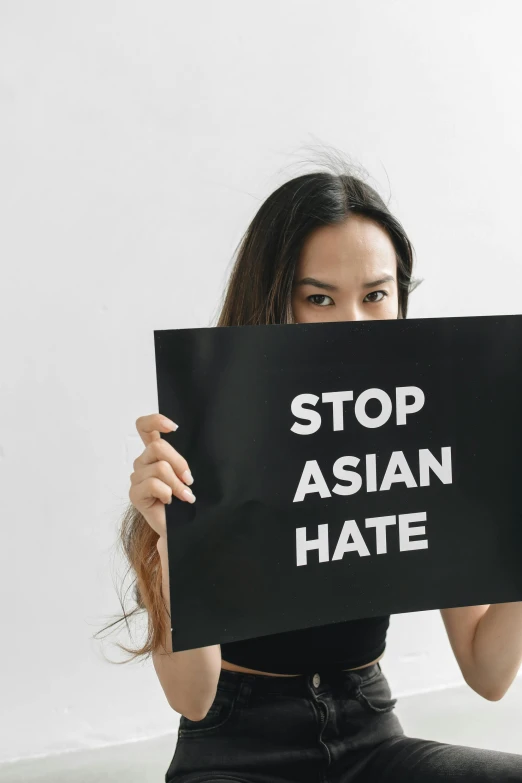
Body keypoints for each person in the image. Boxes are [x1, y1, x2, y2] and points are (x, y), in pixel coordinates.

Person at [100, 156, 522, 781]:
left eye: (376, 295)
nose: (353, 324)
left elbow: (488, 674)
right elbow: (191, 697)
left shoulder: (432, 436)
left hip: (371, 730)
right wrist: (174, 544)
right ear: (273, 302)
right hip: (236, 748)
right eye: (319, 299)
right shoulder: (210, 444)